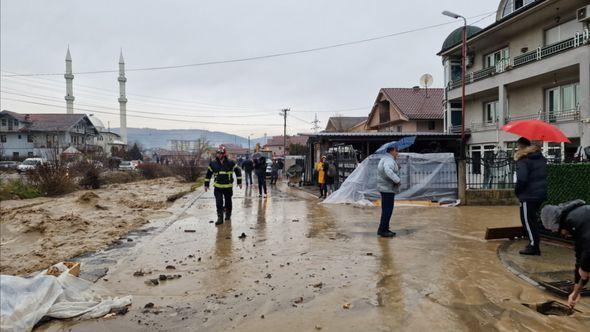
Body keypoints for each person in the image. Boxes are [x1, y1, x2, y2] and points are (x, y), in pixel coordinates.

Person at [541, 200, 590, 308]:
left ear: (557, 224)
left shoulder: (575, 220)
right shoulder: (574, 218)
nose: (563, 235)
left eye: (557, 232)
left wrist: (585, 268)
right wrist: (576, 288)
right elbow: (580, 254)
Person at [514, 137, 547, 255]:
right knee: (532, 221)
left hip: (528, 195)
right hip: (539, 194)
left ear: (521, 146)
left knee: (527, 221)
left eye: (517, 146)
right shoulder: (541, 158)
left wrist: (517, 192)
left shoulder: (523, 160)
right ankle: (533, 243)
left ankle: (534, 247)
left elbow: (522, 179)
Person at [204, 146, 242, 226]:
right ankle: (220, 218)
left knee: (228, 202)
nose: (219, 155)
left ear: (224, 154)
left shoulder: (230, 162)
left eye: (220, 153)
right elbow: (208, 174)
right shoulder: (213, 163)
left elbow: (238, 171)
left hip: (228, 187)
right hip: (218, 187)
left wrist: (239, 182)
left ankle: (228, 214)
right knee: (219, 202)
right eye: (218, 153)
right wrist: (206, 185)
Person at [376, 145, 401, 238]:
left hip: (385, 188)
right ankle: (382, 230)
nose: (397, 153)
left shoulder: (385, 159)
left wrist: (397, 167)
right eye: (396, 150)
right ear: (392, 150)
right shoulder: (389, 160)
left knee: (386, 210)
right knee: (387, 210)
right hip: (387, 188)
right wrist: (397, 180)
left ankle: (384, 228)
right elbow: (388, 170)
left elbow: (388, 170)